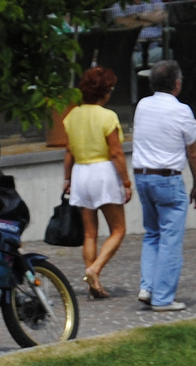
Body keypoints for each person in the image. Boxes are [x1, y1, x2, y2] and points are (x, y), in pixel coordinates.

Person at [132, 59, 196, 312]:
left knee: (152, 234)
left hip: (142, 177)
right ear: (177, 83)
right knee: (170, 239)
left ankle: (148, 287)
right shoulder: (182, 110)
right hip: (167, 179)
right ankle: (162, 298)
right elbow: (192, 152)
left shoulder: (142, 105)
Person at [61, 67, 132, 299]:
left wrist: (67, 179)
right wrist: (126, 182)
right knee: (118, 229)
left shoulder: (72, 116)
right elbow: (116, 153)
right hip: (103, 173)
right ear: (106, 91)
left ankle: (93, 284)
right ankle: (95, 269)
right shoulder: (107, 116)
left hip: (81, 172)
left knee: (90, 233)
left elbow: (69, 152)